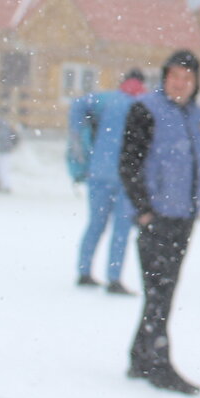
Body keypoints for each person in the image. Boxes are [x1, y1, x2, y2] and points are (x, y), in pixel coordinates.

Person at [119, 50, 200, 395]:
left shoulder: (198, 116)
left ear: (196, 83)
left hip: (183, 216)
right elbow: (129, 162)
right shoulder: (145, 109)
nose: (180, 84)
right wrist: (144, 210)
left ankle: (140, 355)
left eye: (187, 78)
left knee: (163, 292)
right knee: (159, 292)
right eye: (174, 76)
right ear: (164, 77)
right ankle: (158, 362)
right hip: (156, 216)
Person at [67, 67, 146, 293]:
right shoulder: (145, 105)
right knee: (121, 228)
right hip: (128, 175)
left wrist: (80, 145)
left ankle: (84, 271)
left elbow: (78, 106)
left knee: (95, 224)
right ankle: (114, 278)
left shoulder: (106, 100)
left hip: (98, 172)